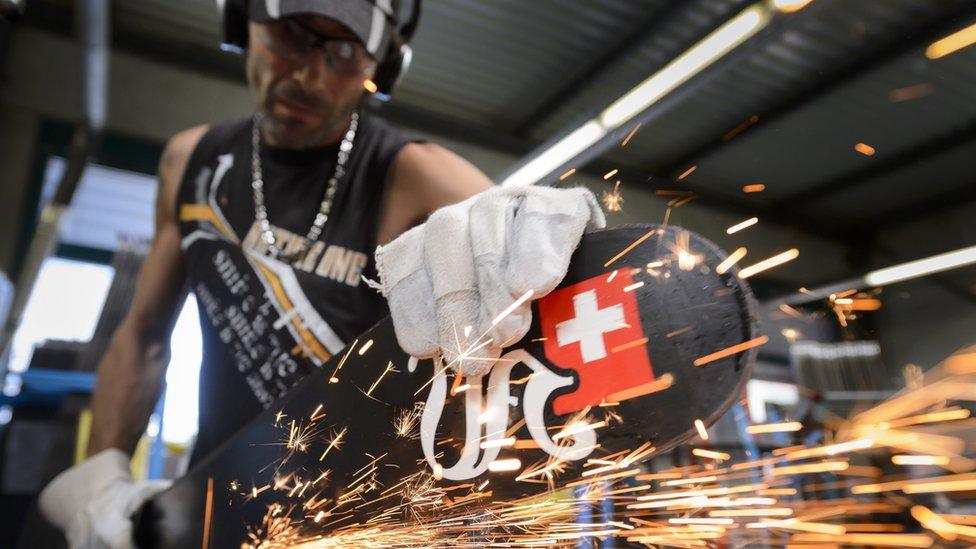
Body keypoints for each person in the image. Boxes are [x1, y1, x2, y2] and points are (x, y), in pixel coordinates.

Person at [36, 1, 603, 547]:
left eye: (341, 51)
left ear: (381, 68)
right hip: (212, 496)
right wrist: (102, 484)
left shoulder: (416, 176)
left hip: (355, 516)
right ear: (242, 20)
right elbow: (143, 336)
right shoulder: (192, 163)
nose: (309, 74)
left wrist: (563, 240)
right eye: (290, 36)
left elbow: (541, 249)